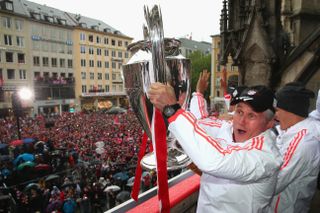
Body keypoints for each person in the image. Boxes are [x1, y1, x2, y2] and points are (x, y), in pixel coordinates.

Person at [148, 82, 282, 212]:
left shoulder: (266, 155)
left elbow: (215, 160)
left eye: (251, 115)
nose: (242, 121)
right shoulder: (224, 127)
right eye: (239, 112)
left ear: (270, 123)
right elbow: (194, 125)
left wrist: (172, 110)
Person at [270, 82, 320, 213]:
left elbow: (274, 184)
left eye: (277, 110)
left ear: (290, 111)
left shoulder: (303, 142)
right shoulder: (293, 129)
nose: (275, 116)